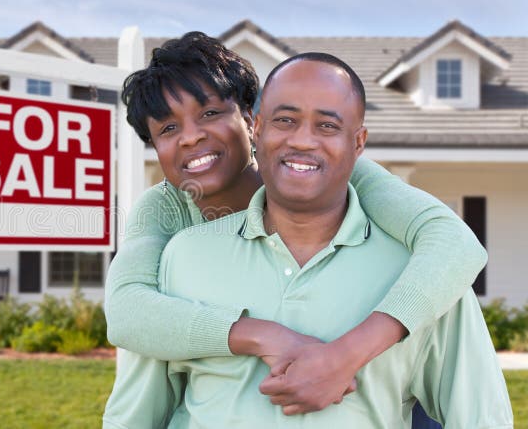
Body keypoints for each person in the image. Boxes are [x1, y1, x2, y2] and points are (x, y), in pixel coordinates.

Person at [102, 32, 489, 428]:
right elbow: (128, 312)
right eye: (167, 129)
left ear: (251, 121)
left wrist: (345, 356)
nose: (191, 136)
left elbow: (454, 243)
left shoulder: (341, 173)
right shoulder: (167, 217)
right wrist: (263, 335)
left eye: (209, 113)